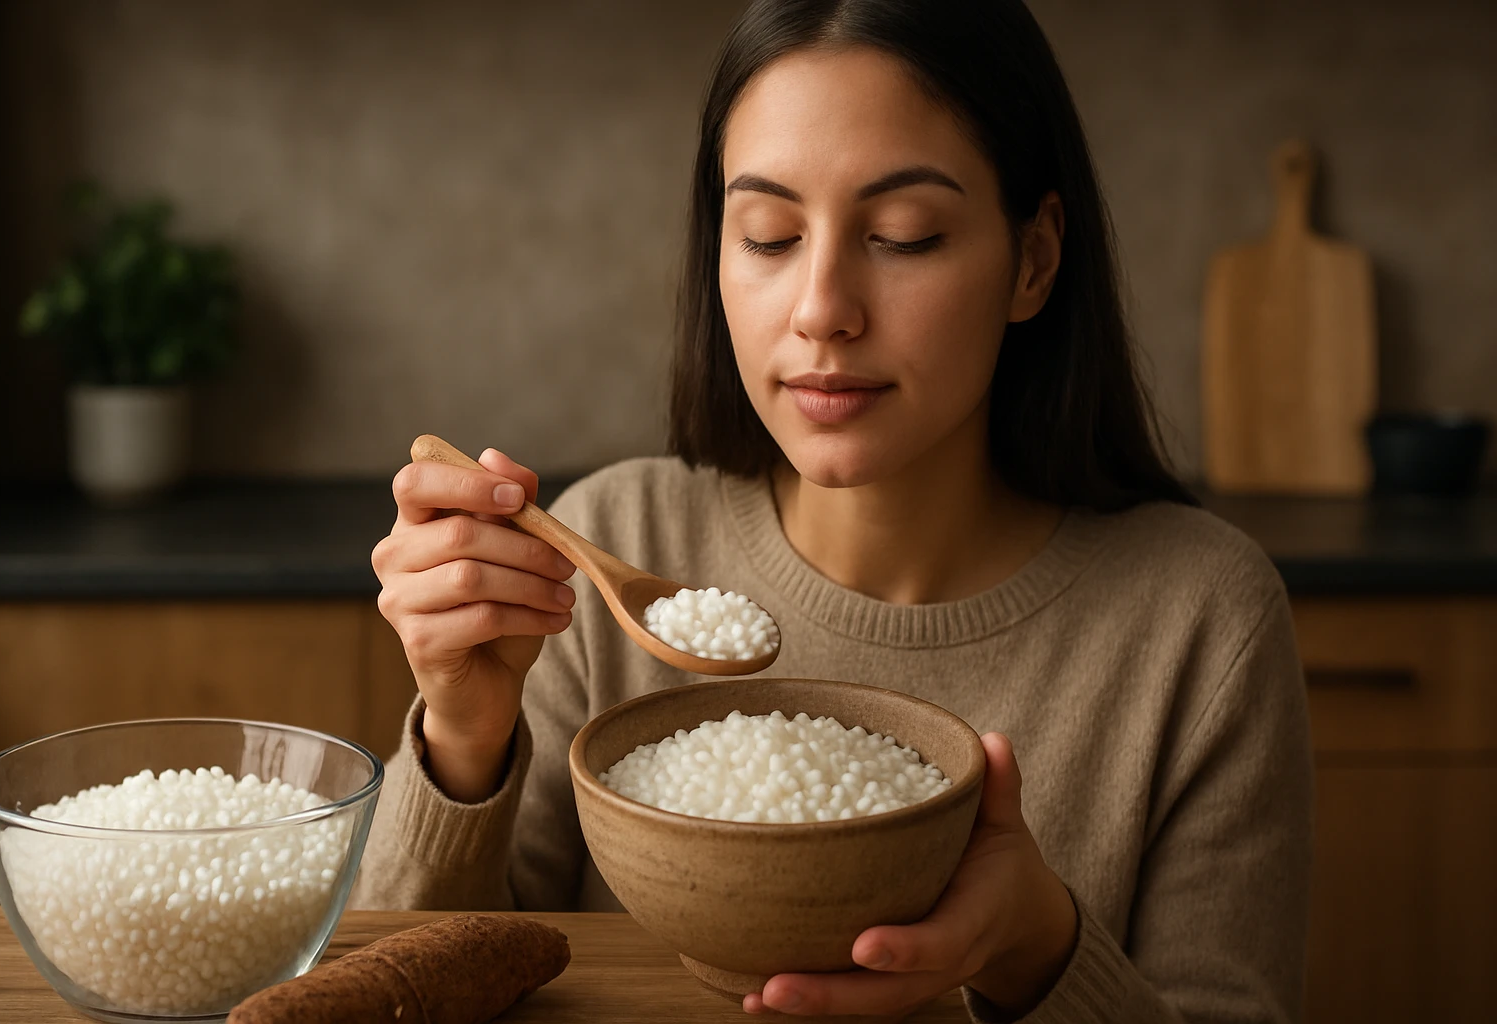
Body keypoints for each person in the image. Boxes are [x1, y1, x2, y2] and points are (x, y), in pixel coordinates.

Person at [354, 1, 1312, 1021]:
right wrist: (464, 736)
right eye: (768, 235)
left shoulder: (1200, 615)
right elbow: (409, 990)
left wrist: (1038, 950)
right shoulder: (612, 551)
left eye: (905, 236)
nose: (821, 308)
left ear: (1032, 260)